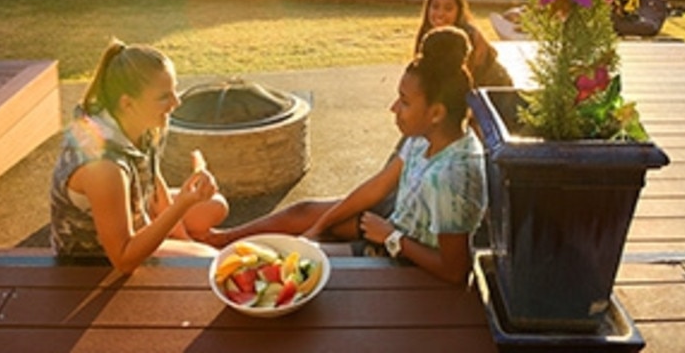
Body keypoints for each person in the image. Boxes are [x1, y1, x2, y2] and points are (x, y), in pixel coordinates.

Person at [202, 27, 486, 284]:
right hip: (390, 227)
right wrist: (318, 226)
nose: (393, 108)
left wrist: (391, 237)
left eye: (405, 101)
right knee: (304, 215)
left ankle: (225, 253)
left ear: (436, 112)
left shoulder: (449, 178)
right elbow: (376, 187)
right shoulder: (425, 137)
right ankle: (218, 240)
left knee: (301, 265)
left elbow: (454, 271)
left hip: (405, 261)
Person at [49, 40, 229, 273]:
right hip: (95, 262)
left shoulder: (139, 123)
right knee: (209, 262)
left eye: (175, 90)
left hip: (134, 215)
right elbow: (122, 259)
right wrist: (183, 204)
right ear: (128, 103)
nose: (177, 102)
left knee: (216, 206)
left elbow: (154, 184)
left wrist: (184, 240)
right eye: (164, 96)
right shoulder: (104, 167)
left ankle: (180, 246)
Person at [416, 0, 513, 87]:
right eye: (435, 6)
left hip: (492, 93)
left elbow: (461, 85)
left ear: (459, 11)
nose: (440, 13)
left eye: (448, 8)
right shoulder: (428, 36)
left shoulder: (468, 38)